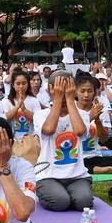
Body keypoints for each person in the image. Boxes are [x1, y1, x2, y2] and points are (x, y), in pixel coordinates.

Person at [34, 70, 94, 212]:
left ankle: (71, 194)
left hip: (77, 175)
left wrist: (69, 100)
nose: (63, 91)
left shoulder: (83, 114)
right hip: (48, 175)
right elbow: (48, 130)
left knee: (84, 202)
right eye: (59, 88)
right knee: (60, 202)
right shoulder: (40, 114)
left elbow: (80, 131)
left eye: (68, 88)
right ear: (50, 89)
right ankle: (55, 194)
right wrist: (57, 98)